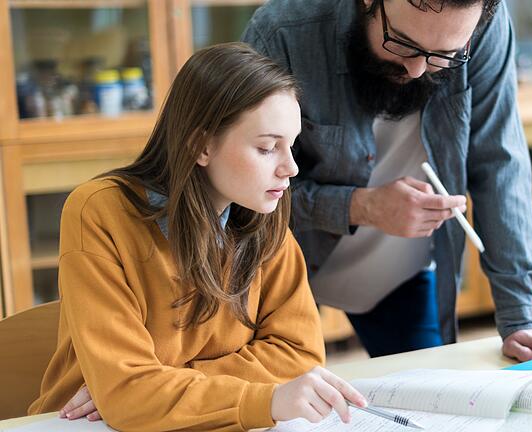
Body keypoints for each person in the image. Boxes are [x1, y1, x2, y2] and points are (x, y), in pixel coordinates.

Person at [28, 42, 366, 431]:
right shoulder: (99, 213)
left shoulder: (264, 216)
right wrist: (265, 397)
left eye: (291, 146)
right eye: (267, 148)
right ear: (201, 145)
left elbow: (300, 356)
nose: (290, 169)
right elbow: (127, 395)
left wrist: (153, 386)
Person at [242, 0, 532, 359]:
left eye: (445, 55)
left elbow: (500, 163)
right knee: (287, 400)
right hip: (289, 261)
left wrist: (522, 318)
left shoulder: (481, 23)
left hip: (400, 271)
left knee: (431, 395)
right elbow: (245, 191)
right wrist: (360, 207)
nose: (416, 70)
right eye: (403, 43)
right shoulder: (283, 32)